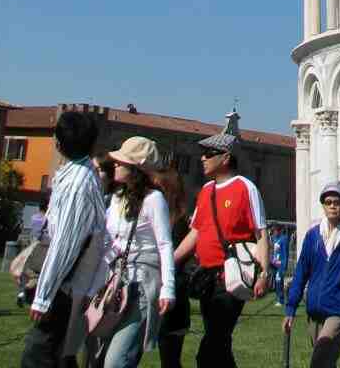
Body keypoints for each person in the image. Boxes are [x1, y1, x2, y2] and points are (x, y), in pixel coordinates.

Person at [174, 132, 269, 368]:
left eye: (208, 154)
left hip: (231, 278)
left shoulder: (245, 188)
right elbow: (196, 232)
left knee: (211, 347)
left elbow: (261, 234)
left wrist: (264, 273)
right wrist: (171, 259)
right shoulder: (206, 191)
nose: (202, 158)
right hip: (205, 277)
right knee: (220, 344)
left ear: (225, 158)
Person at [21, 110, 107, 368]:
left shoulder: (76, 183)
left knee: (38, 355)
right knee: (57, 355)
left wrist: (43, 296)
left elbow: (65, 245)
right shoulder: (77, 174)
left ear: (58, 142)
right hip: (65, 281)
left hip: (63, 285)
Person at [93, 136, 175, 368]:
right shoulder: (117, 199)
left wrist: (167, 288)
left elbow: (164, 244)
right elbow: (108, 242)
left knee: (116, 362)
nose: (115, 165)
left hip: (141, 285)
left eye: (122, 162)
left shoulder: (154, 199)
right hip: (114, 284)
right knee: (99, 357)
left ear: (136, 168)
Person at [284, 180, 340, 368]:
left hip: (339, 308)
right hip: (314, 310)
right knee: (327, 361)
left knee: (319, 358)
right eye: (328, 202)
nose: (332, 206)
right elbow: (301, 272)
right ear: (323, 206)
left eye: (337, 202)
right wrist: (291, 308)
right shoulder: (312, 236)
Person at [151, 164, 190, 368]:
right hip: (155, 291)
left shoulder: (179, 222)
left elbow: (173, 257)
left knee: (170, 359)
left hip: (172, 295)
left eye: (157, 188)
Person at [271, 225, 291, 306]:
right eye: (273, 231)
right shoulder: (274, 239)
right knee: (276, 282)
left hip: (281, 264)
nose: (274, 232)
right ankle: (279, 298)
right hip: (274, 264)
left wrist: (285, 264)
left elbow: (285, 253)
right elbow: (274, 251)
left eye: (275, 231)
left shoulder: (284, 239)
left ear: (279, 231)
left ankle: (281, 300)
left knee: (279, 281)